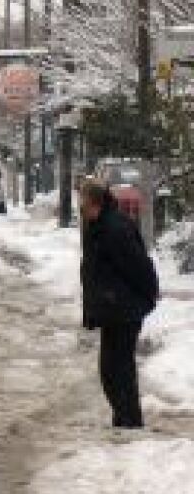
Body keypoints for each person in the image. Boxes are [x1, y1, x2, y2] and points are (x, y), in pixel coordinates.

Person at [79, 178, 159, 429]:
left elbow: (139, 266)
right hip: (112, 310)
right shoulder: (98, 225)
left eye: (82, 203)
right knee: (110, 370)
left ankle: (130, 422)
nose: (80, 208)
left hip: (124, 309)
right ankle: (124, 419)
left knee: (119, 370)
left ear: (95, 203)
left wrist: (149, 294)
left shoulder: (115, 229)